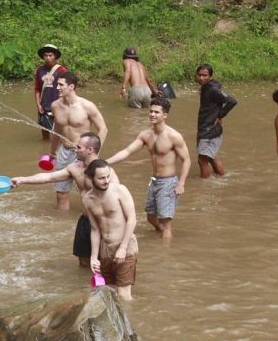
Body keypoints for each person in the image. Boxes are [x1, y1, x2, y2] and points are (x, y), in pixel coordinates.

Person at [11, 133, 113, 267]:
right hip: (85, 219)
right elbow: (50, 177)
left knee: (105, 262)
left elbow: (116, 196)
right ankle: (85, 287)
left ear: (90, 150)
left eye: (79, 147)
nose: (75, 149)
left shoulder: (105, 171)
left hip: (102, 221)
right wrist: (22, 180)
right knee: (83, 262)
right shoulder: (75, 168)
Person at [106, 96, 191, 239]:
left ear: (165, 115)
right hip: (154, 181)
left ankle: (165, 253)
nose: (152, 114)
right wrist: (106, 162)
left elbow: (186, 160)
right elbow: (127, 151)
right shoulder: (146, 134)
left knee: (166, 222)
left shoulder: (174, 136)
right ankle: (161, 233)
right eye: (151, 111)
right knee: (151, 218)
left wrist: (181, 184)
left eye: (156, 112)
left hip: (168, 182)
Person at [46, 72, 108, 211]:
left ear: (71, 86)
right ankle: (62, 225)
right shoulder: (55, 105)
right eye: (57, 84)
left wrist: (94, 154)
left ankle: (96, 221)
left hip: (83, 153)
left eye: (61, 84)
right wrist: (52, 152)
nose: (57, 87)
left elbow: (103, 129)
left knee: (89, 191)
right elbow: (57, 130)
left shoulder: (87, 106)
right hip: (64, 152)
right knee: (61, 193)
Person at [81, 159, 137, 301]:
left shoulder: (120, 190)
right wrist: (94, 257)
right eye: (101, 178)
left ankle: (130, 322)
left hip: (125, 246)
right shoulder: (87, 199)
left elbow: (132, 219)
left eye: (108, 176)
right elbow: (95, 229)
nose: (106, 181)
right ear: (90, 178)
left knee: (124, 295)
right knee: (109, 292)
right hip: (105, 250)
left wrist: (123, 248)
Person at [195, 64, 237, 178]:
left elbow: (232, 101)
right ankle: (221, 179)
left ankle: (204, 186)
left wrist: (220, 116)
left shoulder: (212, 89)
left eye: (205, 75)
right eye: (199, 75)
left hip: (209, 129)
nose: (201, 78)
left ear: (210, 76)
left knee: (202, 160)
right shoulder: (207, 87)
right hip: (208, 128)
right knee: (211, 157)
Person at [34, 44, 68, 141]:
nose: (48, 58)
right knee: (45, 136)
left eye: (50, 55)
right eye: (46, 55)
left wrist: (63, 105)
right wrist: (38, 104)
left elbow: (66, 89)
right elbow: (37, 89)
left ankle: (56, 154)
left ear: (55, 56)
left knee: (60, 136)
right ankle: (46, 152)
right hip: (43, 106)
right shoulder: (40, 70)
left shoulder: (62, 70)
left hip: (58, 106)